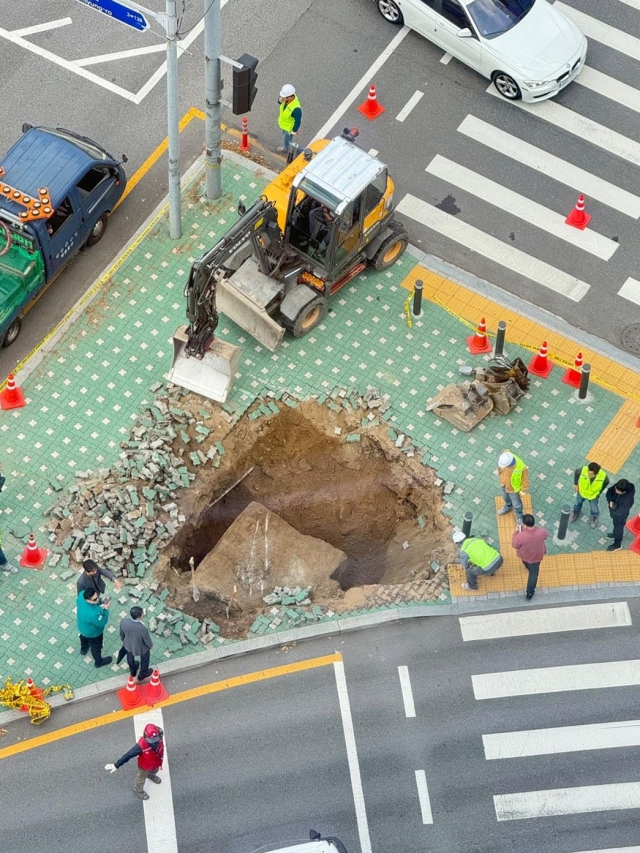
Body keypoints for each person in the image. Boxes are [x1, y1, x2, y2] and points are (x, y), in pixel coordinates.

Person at [105, 723, 165, 800]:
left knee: (155, 770)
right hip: (144, 766)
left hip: (156, 761)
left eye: (155, 739)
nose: (154, 742)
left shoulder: (159, 736)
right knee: (141, 778)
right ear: (145, 736)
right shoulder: (141, 746)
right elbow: (128, 755)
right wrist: (116, 765)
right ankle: (138, 789)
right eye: (151, 740)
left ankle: (151, 775)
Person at [512, 514, 548, 600]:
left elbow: (514, 545)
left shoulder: (520, 536)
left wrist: (516, 532)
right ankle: (530, 592)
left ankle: (527, 567)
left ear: (524, 525)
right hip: (537, 557)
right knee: (534, 573)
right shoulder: (541, 532)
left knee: (528, 567)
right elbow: (545, 536)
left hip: (524, 556)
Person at [76, 587, 112, 667]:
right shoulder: (93, 614)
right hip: (93, 633)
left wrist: (99, 602)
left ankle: (83, 650)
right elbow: (101, 623)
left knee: (83, 637)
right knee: (96, 647)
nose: (97, 599)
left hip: (82, 626)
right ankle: (99, 662)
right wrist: (106, 610)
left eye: (97, 597)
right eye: (94, 599)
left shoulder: (82, 594)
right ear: (87, 600)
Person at [117, 606, 154, 681]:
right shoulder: (142, 628)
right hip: (141, 647)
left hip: (128, 644)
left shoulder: (123, 621)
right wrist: (150, 645)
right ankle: (143, 673)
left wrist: (123, 640)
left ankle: (133, 670)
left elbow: (122, 633)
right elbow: (147, 639)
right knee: (145, 658)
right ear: (140, 616)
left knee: (129, 656)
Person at [570, 461, 609, 528]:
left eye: (591, 474)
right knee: (577, 504)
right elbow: (576, 472)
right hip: (582, 492)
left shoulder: (603, 476)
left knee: (594, 508)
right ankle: (575, 513)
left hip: (593, 495)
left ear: (596, 474)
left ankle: (594, 518)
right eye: (588, 472)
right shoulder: (583, 469)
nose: (588, 474)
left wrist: (599, 492)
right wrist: (576, 484)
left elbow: (606, 483)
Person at [497, 450, 529, 527]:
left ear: (509, 464)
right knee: (505, 497)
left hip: (513, 489)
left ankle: (519, 516)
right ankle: (508, 507)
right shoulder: (506, 456)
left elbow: (525, 480)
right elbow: (506, 451)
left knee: (517, 504)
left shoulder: (521, 467)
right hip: (504, 484)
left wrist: (523, 490)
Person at [605, 478, 635, 552]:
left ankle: (617, 544)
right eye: (616, 489)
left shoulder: (628, 500)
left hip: (621, 516)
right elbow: (609, 492)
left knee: (618, 528)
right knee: (616, 527)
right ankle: (615, 534)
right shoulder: (619, 485)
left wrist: (612, 509)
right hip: (615, 512)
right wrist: (610, 501)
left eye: (618, 491)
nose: (615, 491)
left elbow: (620, 512)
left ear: (624, 492)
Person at [277, 84, 302, 153]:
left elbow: (298, 121)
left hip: (289, 129)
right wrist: (280, 100)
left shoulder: (296, 109)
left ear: (290, 97)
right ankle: (287, 147)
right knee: (286, 138)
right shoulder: (285, 99)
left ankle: (290, 149)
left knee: (287, 140)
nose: (281, 97)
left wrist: (294, 130)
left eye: (283, 97)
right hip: (284, 125)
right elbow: (280, 102)